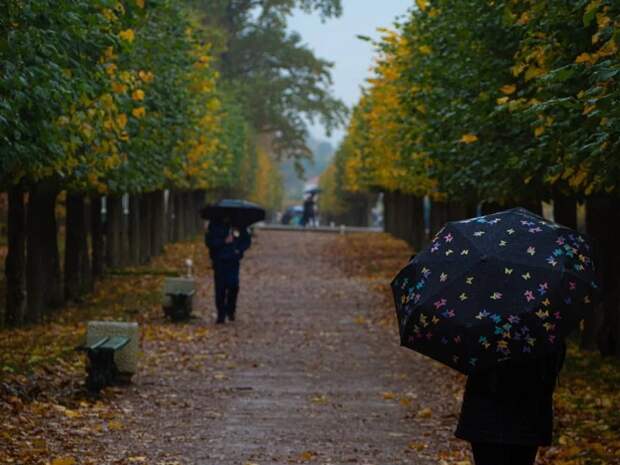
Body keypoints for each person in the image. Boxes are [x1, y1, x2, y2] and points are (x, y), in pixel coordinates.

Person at [455, 343, 566, 465]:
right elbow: (554, 365)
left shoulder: (482, 327)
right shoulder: (544, 331)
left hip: (489, 414)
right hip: (527, 414)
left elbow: (468, 357)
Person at [204, 218, 252, 324]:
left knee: (233, 285)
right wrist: (223, 241)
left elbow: (247, 240)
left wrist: (239, 250)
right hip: (219, 260)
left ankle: (231, 310)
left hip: (233, 261)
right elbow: (209, 242)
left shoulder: (239, 225)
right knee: (220, 288)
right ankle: (221, 314)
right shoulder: (214, 225)